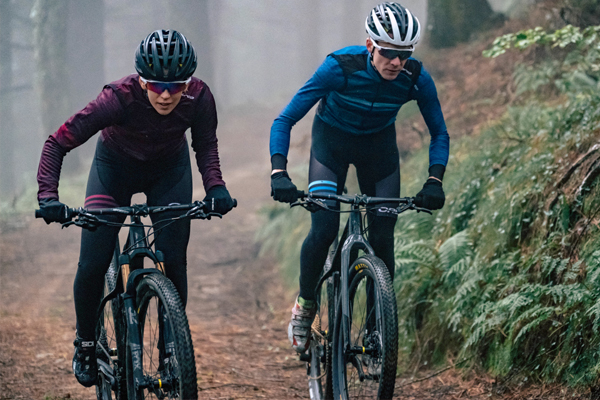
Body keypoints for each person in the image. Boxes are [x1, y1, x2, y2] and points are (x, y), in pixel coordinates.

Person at [36, 30, 235, 387]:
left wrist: (216, 187)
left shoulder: (199, 97)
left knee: (174, 258)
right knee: (94, 260)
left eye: (175, 86)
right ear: (140, 81)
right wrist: (48, 197)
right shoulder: (117, 99)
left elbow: (205, 145)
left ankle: (171, 349)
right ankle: (85, 343)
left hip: (168, 173)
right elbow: (57, 143)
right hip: (113, 172)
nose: (164, 95)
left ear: (187, 83)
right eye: (155, 85)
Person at [269, 2, 450, 353]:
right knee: (323, 230)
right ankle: (306, 306)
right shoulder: (339, 67)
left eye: (404, 54)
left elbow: (439, 133)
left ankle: (374, 327)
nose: (396, 62)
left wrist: (434, 180)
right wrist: (279, 172)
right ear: (370, 46)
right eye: (388, 53)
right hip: (330, 146)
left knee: (383, 239)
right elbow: (285, 119)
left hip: (378, 151)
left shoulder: (415, 78)